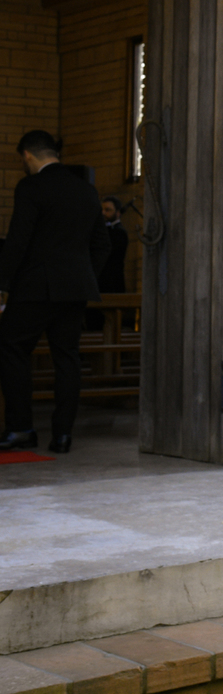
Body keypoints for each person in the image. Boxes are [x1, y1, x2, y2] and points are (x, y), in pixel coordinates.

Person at [0, 130, 110, 454]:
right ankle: (62, 435)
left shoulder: (32, 186)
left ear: (28, 156)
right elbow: (101, 246)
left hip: (35, 287)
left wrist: (2, 284)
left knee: (10, 346)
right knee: (67, 358)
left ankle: (20, 428)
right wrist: (83, 276)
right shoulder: (87, 191)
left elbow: (18, 240)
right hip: (74, 290)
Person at [85, 195, 129, 331]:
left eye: (108, 210)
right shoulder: (101, 231)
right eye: (102, 210)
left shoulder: (119, 233)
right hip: (98, 284)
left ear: (117, 213)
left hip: (111, 285)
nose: (103, 213)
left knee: (111, 327)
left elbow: (107, 254)